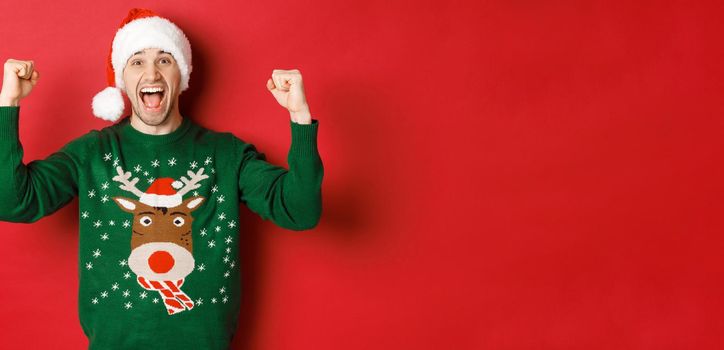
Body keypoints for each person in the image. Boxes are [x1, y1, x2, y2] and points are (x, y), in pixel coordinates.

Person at [0, 7, 323, 350]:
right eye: (137, 61)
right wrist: (8, 103)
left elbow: (300, 211)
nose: (151, 72)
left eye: (164, 59)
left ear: (181, 75)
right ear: (123, 77)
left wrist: (299, 117)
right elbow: (13, 201)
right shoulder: (92, 153)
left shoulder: (226, 155)